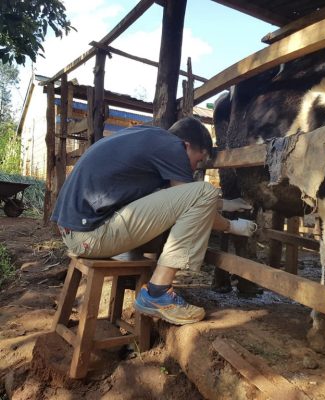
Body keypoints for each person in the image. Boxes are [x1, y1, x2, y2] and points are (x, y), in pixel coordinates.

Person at [51, 117, 257, 325]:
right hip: (90, 236)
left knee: (200, 195)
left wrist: (225, 204)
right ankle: (158, 293)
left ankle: (140, 283)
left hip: (75, 231)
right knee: (204, 191)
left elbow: (174, 199)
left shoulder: (149, 139)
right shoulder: (174, 148)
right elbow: (196, 200)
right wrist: (233, 226)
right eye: (198, 160)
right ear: (185, 145)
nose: (196, 169)